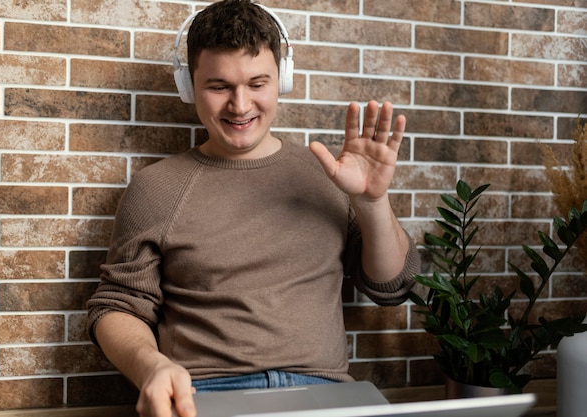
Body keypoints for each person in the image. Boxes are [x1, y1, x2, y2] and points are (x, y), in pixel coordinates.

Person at [87, 1, 421, 416]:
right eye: (219, 86)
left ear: (284, 80)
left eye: (257, 83)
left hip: (323, 393)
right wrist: (152, 366)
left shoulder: (330, 175)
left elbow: (392, 287)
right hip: (209, 394)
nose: (240, 105)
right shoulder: (156, 188)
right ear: (189, 88)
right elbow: (116, 306)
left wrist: (371, 202)